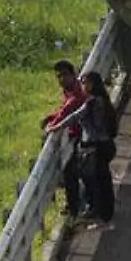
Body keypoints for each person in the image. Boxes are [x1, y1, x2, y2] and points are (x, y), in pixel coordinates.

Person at [58, 70, 118, 223]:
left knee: (96, 180)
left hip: (96, 146)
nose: (83, 85)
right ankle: (105, 211)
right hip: (104, 145)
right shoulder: (102, 100)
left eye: (85, 82)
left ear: (92, 84)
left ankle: (100, 212)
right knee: (102, 179)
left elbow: (76, 116)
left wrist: (56, 126)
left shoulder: (93, 102)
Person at [40, 60, 90, 217]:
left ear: (73, 75)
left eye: (64, 75)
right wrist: (51, 117)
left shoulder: (77, 95)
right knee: (73, 174)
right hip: (75, 137)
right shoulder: (71, 91)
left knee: (73, 173)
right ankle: (75, 206)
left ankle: (76, 208)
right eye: (59, 76)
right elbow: (63, 110)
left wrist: (52, 125)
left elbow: (66, 112)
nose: (61, 80)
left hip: (82, 139)